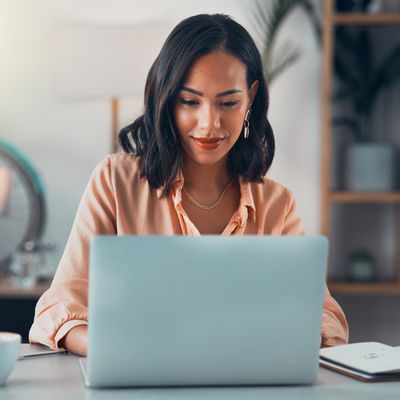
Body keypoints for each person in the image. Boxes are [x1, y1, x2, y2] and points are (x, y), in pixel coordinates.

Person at [29, 14, 348, 356]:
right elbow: (58, 309)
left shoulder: (276, 204)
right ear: (166, 99)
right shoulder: (114, 182)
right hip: (137, 378)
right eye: (190, 101)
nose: (209, 124)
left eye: (228, 103)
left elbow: (323, 316)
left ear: (251, 98)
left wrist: (283, 339)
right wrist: (118, 350)